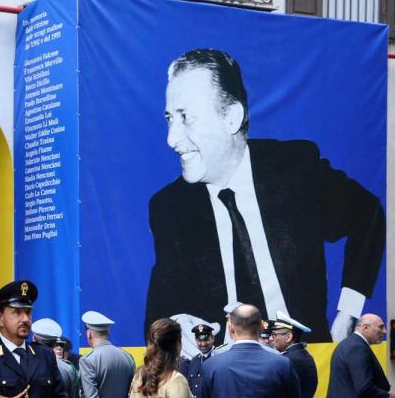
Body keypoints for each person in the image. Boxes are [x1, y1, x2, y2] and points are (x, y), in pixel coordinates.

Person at [145, 48, 384, 343]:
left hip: (302, 362)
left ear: (231, 117)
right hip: (226, 373)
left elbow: (368, 213)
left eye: (186, 117)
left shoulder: (296, 170)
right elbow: (159, 310)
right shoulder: (169, 208)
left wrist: (348, 313)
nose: (172, 138)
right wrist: (177, 324)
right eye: (170, 118)